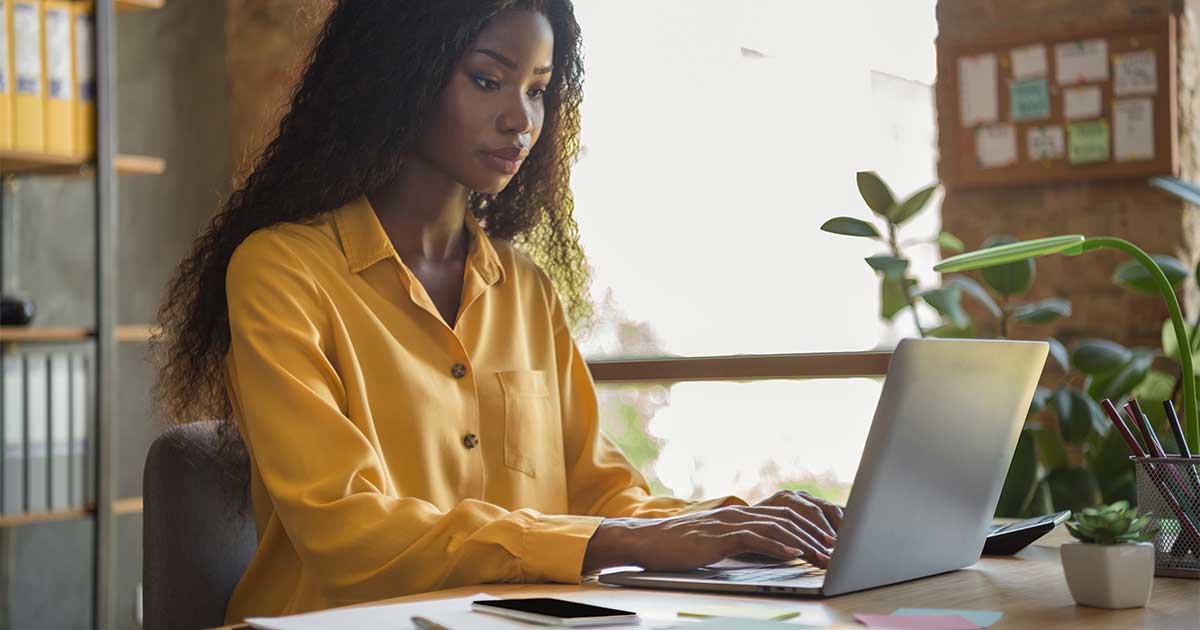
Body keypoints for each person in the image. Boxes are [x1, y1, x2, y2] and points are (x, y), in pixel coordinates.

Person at [155, 1, 841, 623]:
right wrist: (629, 539)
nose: (522, 120)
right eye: (488, 80)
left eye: (539, 90)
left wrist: (743, 525)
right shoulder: (282, 271)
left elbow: (602, 498)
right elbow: (346, 532)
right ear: (401, 76)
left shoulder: (527, 290)